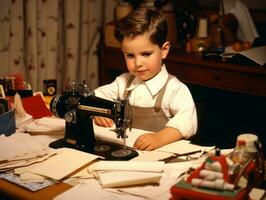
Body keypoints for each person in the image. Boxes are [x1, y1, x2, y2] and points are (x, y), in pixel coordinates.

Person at [94, 8, 197, 151]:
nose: (138, 63)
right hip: (129, 151)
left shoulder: (175, 89)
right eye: (130, 55)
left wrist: (159, 138)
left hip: (159, 156)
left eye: (146, 54)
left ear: (164, 50)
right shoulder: (123, 82)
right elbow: (97, 96)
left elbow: (187, 122)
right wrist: (98, 111)